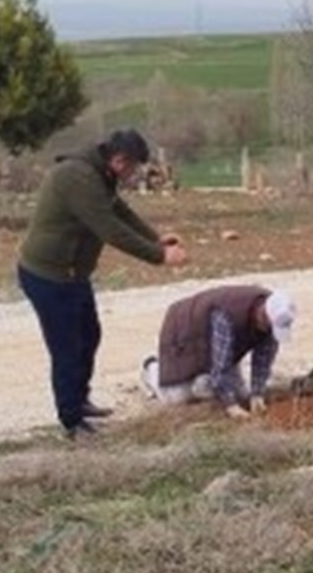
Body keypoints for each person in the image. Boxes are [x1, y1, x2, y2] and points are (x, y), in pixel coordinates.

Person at [17, 129, 187, 439]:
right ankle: (71, 422)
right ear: (120, 160)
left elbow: (119, 210)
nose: (135, 174)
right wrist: (159, 256)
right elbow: (109, 228)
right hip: (48, 275)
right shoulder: (78, 177)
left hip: (72, 275)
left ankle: (80, 400)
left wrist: (154, 236)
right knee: (67, 348)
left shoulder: (100, 172)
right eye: (134, 167)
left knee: (89, 336)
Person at [140, 286, 296, 418]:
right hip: (186, 331)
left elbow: (263, 359)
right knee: (177, 398)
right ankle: (150, 369)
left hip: (219, 344)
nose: (270, 331)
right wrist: (231, 406)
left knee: (240, 394)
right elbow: (221, 367)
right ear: (262, 315)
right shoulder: (227, 315)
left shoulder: (273, 318)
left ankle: (205, 381)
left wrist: (257, 394)